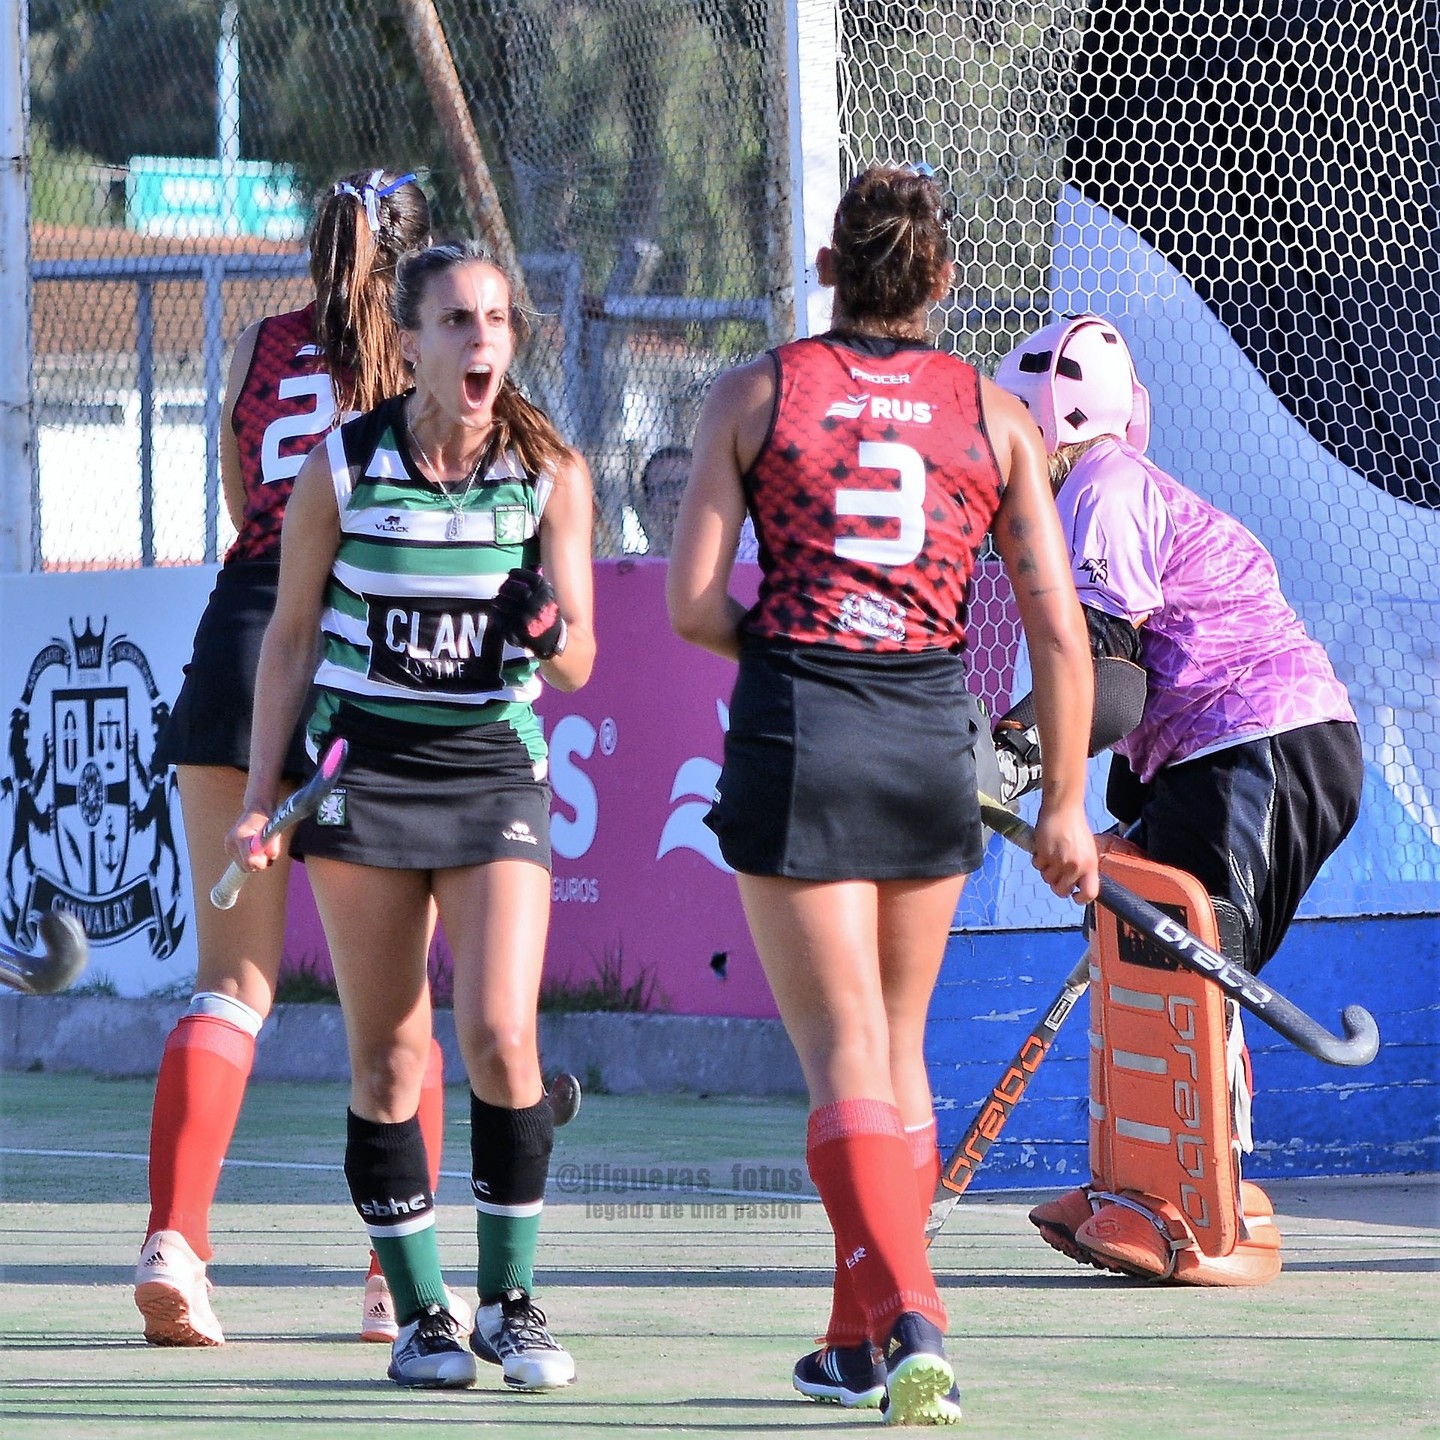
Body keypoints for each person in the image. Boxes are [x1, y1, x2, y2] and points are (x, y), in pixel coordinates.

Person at [666, 164, 1099, 1426]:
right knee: (895, 1054)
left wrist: (790, 652)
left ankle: (914, 1318)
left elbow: (696, 604)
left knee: (842, 1053)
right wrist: (1066, 800)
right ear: (943, 279)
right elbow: (1059, 635)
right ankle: (861, 1335)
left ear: (829, 267)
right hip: (927, 737)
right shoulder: (994, 417)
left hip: (804, 724)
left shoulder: (758, 393)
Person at [225, 239, 595, 1393]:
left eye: (496, 321)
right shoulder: (341, 466)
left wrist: (547, 634)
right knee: (389, 1056)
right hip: (362, 777)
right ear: (416, 340)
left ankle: (513, 1304)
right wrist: (257, 795)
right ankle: (425, 1315)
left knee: (499, 1035)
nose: (482, 341)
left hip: (493, 772)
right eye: (456, 322)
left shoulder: (550, 472)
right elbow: (290, 640)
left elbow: (579, 661)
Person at [133, 169, 452, 1349]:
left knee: (231, 985)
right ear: (415, 268)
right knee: (394, 1013)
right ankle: (395, 1285)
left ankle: (174, 1242)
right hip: (360, 658)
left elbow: (240, 503)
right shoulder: (426, 356)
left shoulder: (267, 344)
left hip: (234, 646)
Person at [992, 312, 1363, 1285]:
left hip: (1263, 742)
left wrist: (1008, 762)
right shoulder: (1095, 490)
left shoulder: (1101, 488)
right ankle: (1133, 1184)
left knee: (1197, 964)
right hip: (1212, 752)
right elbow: (1130, 683)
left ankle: (1215, 1218)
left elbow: (1108, 686)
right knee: (1136, 955)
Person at [637, 443, 691, 555]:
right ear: (649, 505)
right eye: (665, 490)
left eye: (685, 486)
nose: (677, 498)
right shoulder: (641, 569)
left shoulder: (731, 560)